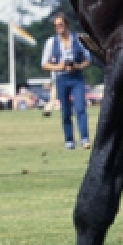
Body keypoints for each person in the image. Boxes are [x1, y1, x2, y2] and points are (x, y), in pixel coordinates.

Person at [41, 13, 94, 149]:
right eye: (56, 25)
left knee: (80, 108)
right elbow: (44, 64)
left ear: (66, 24)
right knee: (65, 111)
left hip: (76, 77)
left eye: (61, 24)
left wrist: (77, 66)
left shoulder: (77, 39)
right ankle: (69, 140)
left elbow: (88, 60)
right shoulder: (51, 42)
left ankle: (84, 139)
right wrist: (59, 66)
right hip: (61, 78)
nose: (59, 27)